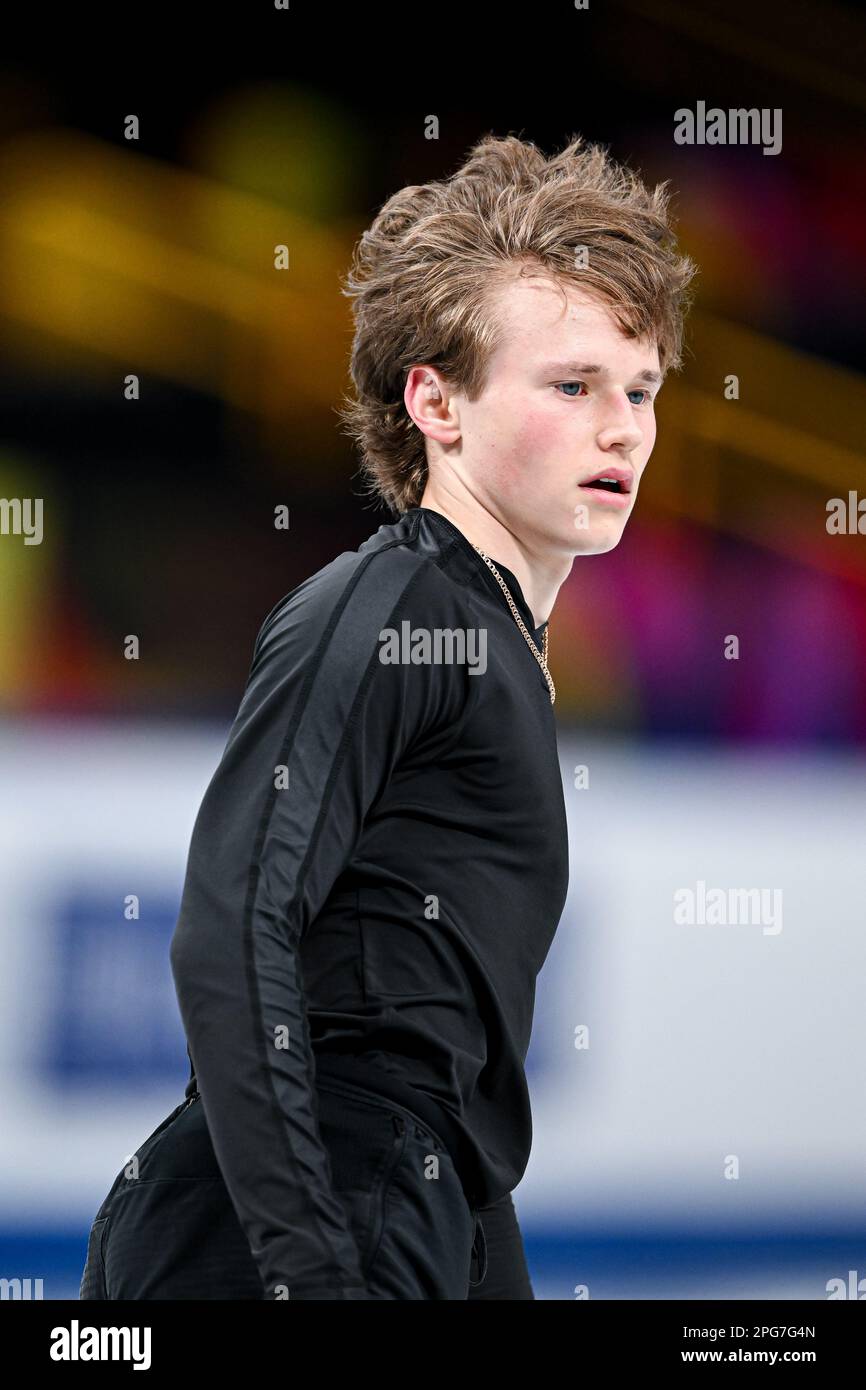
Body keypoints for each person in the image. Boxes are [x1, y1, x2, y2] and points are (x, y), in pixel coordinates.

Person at [79, 131, 695, 1301]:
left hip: (411, 1201)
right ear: (435, 401)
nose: (621, 427)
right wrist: (311, 1267)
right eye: (571, 385)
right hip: (282, 1222)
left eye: (640, 389)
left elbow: (438, 1079)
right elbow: (228, 927)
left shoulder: (489, 630)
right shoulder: (394, 604)